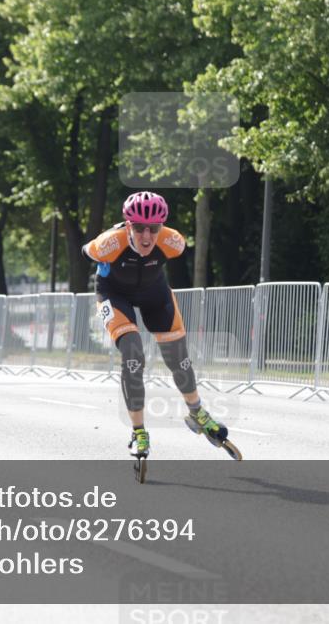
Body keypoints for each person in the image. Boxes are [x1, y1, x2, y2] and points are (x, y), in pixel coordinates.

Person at [82, 191, 232, 460]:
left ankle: (197, 413)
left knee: (179, 360)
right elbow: (86, 251)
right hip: (114, 295)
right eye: (139, 228)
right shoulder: (108, 243)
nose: (147, 236)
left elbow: (173, 245)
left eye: (154, 228)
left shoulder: (173, 242)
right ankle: (138, 431)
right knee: (133, 355)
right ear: (128, 226)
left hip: (154, 293)